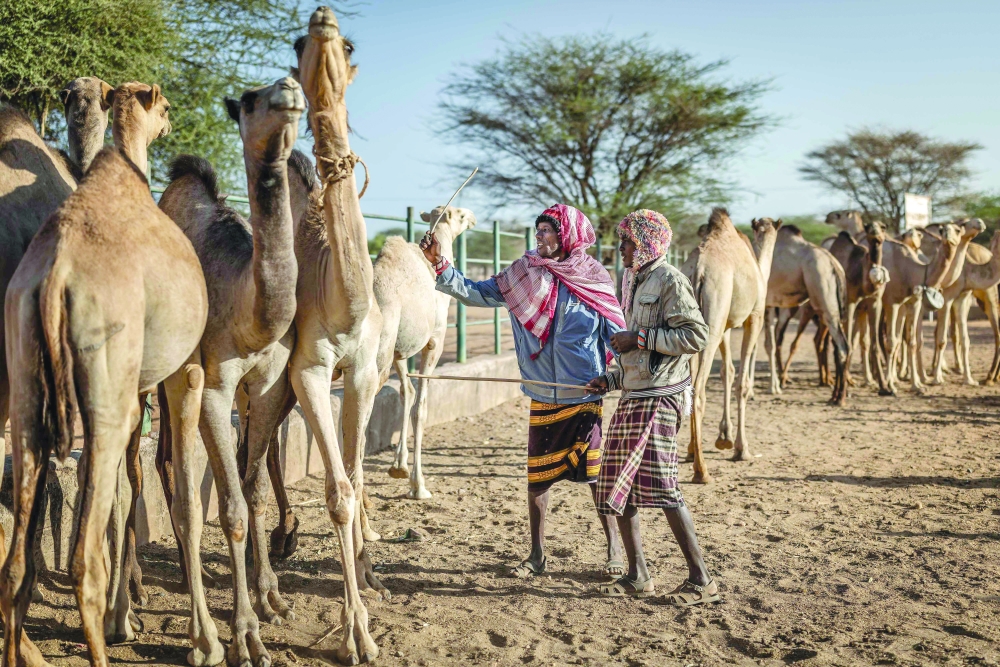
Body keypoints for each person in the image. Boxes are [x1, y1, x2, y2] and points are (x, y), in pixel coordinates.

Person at [420, 204, 626, 579]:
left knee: (596, 478)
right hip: (543, 395)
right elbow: (474, 292)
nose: (540, 238)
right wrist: (441, 266)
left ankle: (613, 547)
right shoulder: (522, 272)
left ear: (567, 236)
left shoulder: (595, 278)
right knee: (537, 481)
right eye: (539, 231)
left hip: (583, 395)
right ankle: (536, 555)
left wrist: (615, 376)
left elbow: (616, 334)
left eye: (548, 231)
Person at [585, 209, 719, 605]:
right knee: (614, 483)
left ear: (647, 244)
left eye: (628, 242)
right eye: (623, 242)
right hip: (635, 395)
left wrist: (640, 338)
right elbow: (631, 350)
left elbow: (696, 335)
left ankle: (702, 580)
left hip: (662, 397)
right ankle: (637, 574)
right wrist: (610, 379)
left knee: (663, 486)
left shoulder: (670, 281)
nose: (622, 248)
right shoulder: (633, 279)